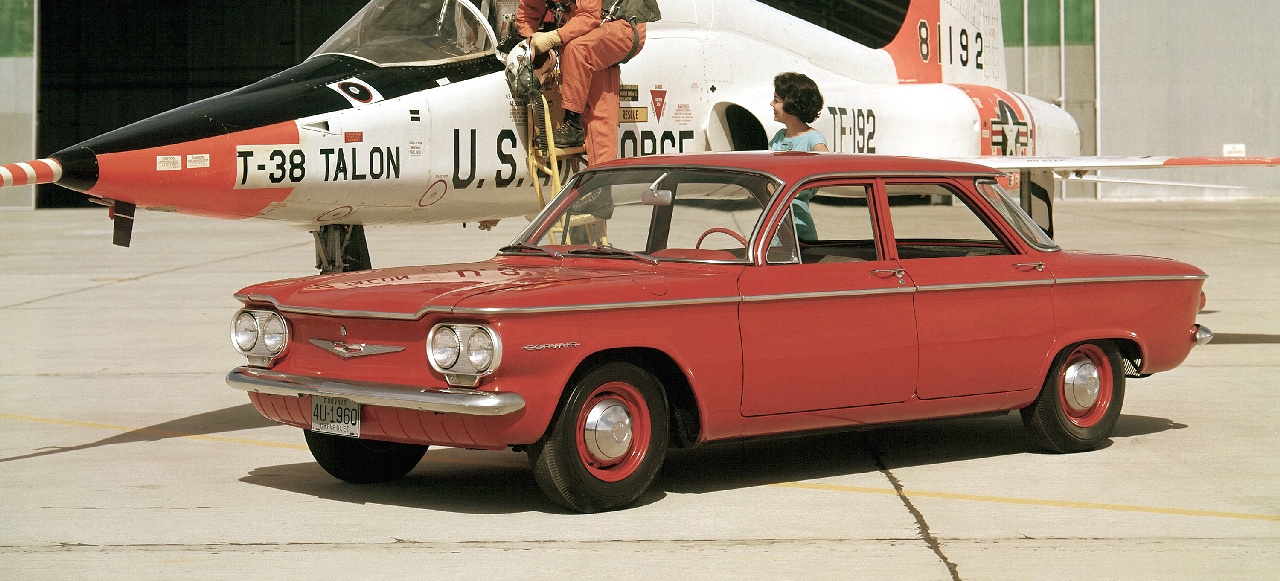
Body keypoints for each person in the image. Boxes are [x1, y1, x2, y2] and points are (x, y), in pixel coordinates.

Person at [517, 0, 650, 166]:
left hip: (625, 26)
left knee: (575, 49)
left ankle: (574, 124)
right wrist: (528, 45)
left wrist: (553, 37)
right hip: (597, 29)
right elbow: (528, 11)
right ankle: (601, 185)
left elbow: (589, 15)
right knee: (600, 114)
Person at [769, 72, 828, 240]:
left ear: (792, 104)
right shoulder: (778, 138)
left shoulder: (813, 138)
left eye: (777, 100)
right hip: (774, 224)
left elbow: (828, 164)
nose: (772, 104)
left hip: (799, 226)